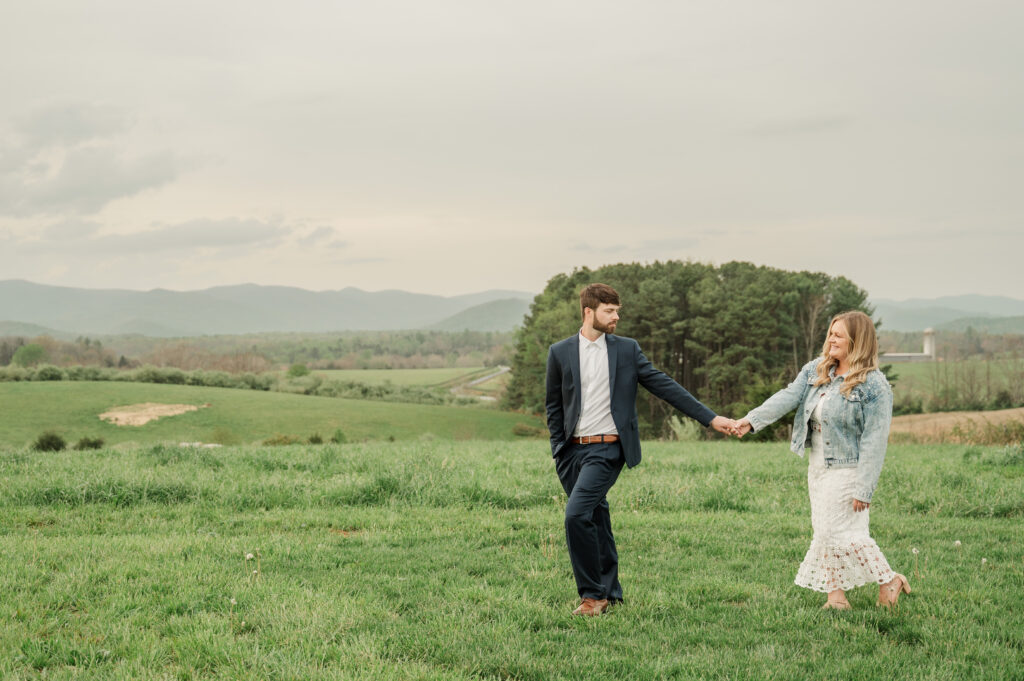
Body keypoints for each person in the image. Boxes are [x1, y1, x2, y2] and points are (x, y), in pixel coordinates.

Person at [546, 283, 735, 616]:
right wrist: (557, 448)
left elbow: (665, 386)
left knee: (576, 515)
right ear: (589, 312)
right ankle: (612, 592)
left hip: (608, 450)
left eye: (618, 311)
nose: (616, 316)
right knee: (595, 516)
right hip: (571, 453)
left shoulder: (626, 350)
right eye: (610, 311)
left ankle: (593, 597)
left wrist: (711, 418)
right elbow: (553, 405)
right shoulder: (560, 352)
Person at [733, 310, 911, 609]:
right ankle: (837, 597)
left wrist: (864, 488)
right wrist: (751, 421)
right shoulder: (818, 369)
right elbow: (788, 396)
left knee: (837, 532)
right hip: (817, 464)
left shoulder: (874, 386)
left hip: (849, 468)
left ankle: (888, 578)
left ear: (858, 341)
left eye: (839, 335)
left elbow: (875, 440)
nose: (831, 339)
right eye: (831, 333)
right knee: (824, 531)